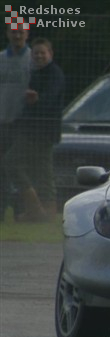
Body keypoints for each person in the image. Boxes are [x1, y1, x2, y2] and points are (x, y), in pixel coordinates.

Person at [3, 37, 65, 222]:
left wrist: (36, 99)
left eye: (42, 53)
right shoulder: (35, 73)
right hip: (32, 130)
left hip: (41, 132)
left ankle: (36, 208)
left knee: (10, 163)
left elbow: (50, 100)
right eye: (36, 53)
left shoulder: (54, 73)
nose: (38, 56)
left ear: (50, 54)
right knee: (43, 172)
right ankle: (44, 214)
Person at [0, 23, 31, 221]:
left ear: (26, 34)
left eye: (21, 31)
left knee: (18, 167)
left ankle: (22, 210)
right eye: (13, 31)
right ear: (7, 34)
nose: (17, 35)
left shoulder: (32, 60)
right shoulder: (1, 59)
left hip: (22, 123)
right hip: (1, 121)